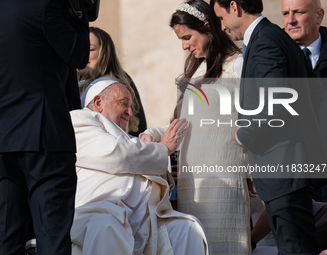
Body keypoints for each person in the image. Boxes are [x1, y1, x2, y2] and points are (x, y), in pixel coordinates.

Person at [212, 0, 326, 254]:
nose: (222, 27)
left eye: (221, 18)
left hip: (284, 171)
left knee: (295, 249)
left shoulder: (266, 41)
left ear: (234, 7)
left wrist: (243, 135)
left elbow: (275, 104)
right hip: (286, 171)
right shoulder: (272, 37)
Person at [140, 0, 252, 253]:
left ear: (208, 27)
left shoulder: (238, 64)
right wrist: (152, 133)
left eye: (188, 36)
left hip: (224, 174)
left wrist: (250, 165)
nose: (184, 45)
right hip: (193, 183)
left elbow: (257, 118)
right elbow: (184, 124)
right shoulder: (195, 71)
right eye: (180, 39)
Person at [0, 0, 90, 254]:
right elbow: (78, 55)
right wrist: (80, 13)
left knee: (3, 241)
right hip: (43, 138)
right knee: (52, 237)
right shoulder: (43, 6)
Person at [69, 77, 211, 255]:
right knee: (107, 227)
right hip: (101, 211)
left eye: (130, 108)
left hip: (143, 219)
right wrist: (163, 148)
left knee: (187, 229)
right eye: (123, 103)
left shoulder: (130, 140)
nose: (129, 112)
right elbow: (119, 155)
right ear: (98, 102)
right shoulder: (79, 121)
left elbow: (140, 155)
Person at [281, 0, 327, 202]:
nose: (290, 21)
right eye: (285, 13)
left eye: (298, 12)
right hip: (293, 181)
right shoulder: (273, 57)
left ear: (319, 16)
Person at [78, 27, 147, 136]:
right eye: (79, 47)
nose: (83, 53)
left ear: (104, 53)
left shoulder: (111, 85)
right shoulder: (70, 83)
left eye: (90, 49)